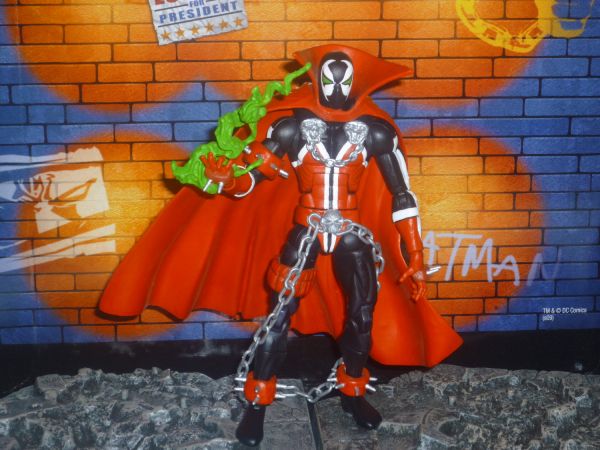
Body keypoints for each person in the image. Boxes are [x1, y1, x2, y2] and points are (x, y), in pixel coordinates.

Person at [98, 45, 463, 448]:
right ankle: (258, 402)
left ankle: (353, 393)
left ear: (357, 81)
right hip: (306, 230)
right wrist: (227, 179)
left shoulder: (377, 131)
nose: (335, 89)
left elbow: (402, 195)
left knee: (361, 317)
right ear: (315, 78)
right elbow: (251, 178)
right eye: (328, 79)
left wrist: (415, 253)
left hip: (351, 233)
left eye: (343, 80)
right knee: (277, 320)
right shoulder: (290, 128)